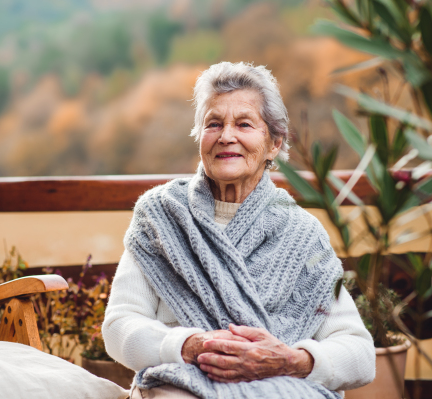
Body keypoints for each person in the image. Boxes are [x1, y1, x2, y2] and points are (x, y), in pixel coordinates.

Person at [103, 62, 375, 399]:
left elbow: (359, 353)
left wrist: (290, 361)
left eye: (244, 124)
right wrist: (190, 346)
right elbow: (119, 327)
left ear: (274, 143)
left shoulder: (301, 233)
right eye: (213, 124)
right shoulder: (161, 216)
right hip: (181, 386)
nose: (226, 136)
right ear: (201, 138)